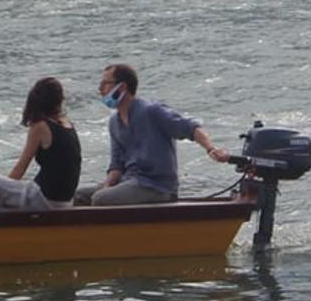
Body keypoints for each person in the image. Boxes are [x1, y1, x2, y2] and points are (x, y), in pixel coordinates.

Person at [75, 63, 231, 205]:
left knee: (101, 199)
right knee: (77, 196)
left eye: (105, 84)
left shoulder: (151, 111)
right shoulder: (114, 122)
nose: (100, 89)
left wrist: (211, 149)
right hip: (128, 181)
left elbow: (191, 128)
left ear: (122, 88)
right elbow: (117, 164)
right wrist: (107, 185)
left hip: (156, 186)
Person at [0, 77, 81, 211]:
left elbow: (20, 169)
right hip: (65, 201)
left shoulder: (40, 127)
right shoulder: (68, 124)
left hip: (45, 200)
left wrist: (5, 189)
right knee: (9, 187)